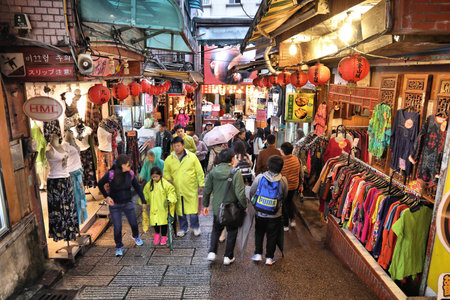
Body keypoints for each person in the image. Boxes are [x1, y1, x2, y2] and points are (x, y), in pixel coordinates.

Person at [203, 148, 247, 265]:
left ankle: (212, 252)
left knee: (216, 229)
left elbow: (207, 190)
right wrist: (244, 205)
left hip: (218, 207)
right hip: (232, 209)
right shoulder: (235, 173)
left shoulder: (213, 172)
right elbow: (240, 193)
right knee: (232, 231)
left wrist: (205, 205)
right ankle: (228, 257)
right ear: (232, 160)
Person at [98, 154, 146, 256]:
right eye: (128, 165)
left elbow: (137, 187)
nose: (130, 166)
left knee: (133, 223)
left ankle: (136, 236)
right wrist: (107, 196)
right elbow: (100, 184)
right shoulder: (111, 174)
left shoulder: (131, 174)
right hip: (114, 204)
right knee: (118, 227)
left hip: (127, 202)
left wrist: (143, 201)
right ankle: (119, 246)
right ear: (122, 165)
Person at [250, 155, 288, 265]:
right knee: (272, 235)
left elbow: (252, 191)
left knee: (259, 232)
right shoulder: (283, 180)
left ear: (268, 166)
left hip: (260, 212)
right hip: (275, 214)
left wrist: (254, 203)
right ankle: (269, 258)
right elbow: (284, 196)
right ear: (281, 168)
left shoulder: (260, 177)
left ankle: (257, 254)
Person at [163, 137, 205, 237]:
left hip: (190, 187)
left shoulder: (192, 157)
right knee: (180, 209)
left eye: (178, 145)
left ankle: (195, 227)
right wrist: (169, 180)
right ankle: (183, 228)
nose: (176, 148)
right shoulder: (169, 159)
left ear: (182, 145)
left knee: (193, 209)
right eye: (174, 146)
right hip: (176, 188)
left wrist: (201, 184)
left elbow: (199, 171)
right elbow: (166, 171)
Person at [142, 167, 177, 245]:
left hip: (163, 208)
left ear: (160, 175)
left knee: (164, 223)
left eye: (156, 177)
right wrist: (144, 202)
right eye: (153, 177)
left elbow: (171, 192)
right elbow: (145, 194)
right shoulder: (149, 185)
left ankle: (164, 236)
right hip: (154, 208)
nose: (155, 178)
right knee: (155, 223)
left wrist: (170, 199)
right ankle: (157, 234)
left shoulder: (166, 184)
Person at [280, 142, 301, 231]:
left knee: (285, 204)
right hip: (294, 185)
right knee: (289, 202)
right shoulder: (296, 159)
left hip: (285, 186)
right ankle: (292, 219)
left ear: (282, 151)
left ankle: (286, 225)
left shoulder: (281, 160)